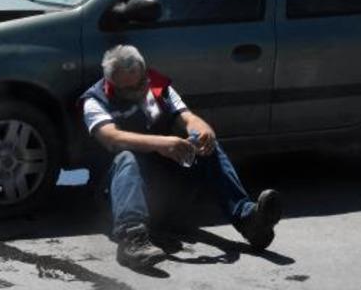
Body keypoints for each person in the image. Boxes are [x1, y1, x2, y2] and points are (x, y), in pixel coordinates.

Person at [80, 45, 281, 270]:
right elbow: (112, 137)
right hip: (121, 192)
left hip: (165, 191)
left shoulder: (158, 88)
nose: (136, 92)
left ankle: (248, 220)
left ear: (144, 74)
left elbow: (187, 117)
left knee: (207, 148)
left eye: (139, 84)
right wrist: (161, 144)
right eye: (126, 90)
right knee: (127, 157)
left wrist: (204, 132)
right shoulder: (95, 100)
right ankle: (131, 240)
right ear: (112, 84)